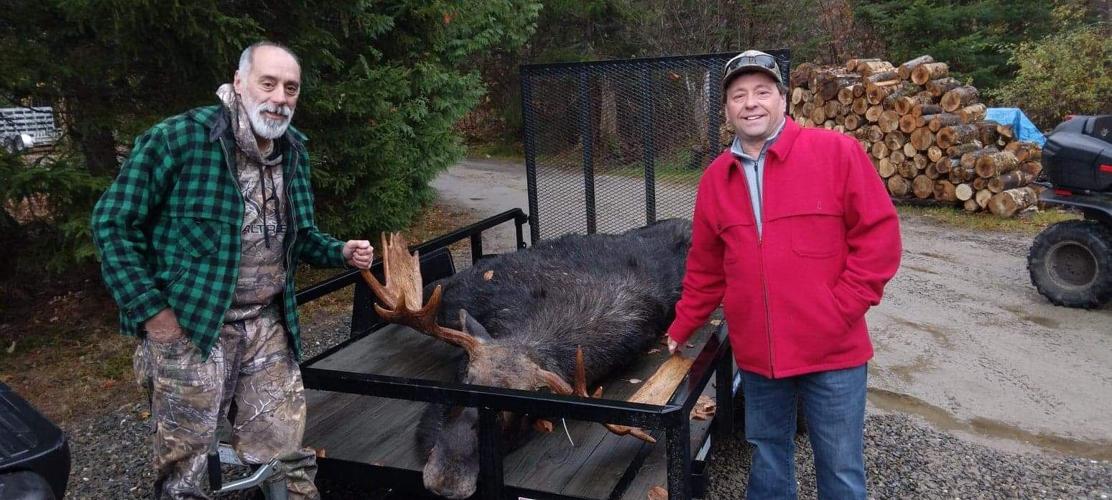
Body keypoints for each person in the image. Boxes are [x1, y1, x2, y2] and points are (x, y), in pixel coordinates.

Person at [91, 41, 374, 500]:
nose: (280, 98)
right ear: (239, 83)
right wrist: (153, 314)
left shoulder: (293, 151)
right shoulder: (179, 139)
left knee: (286, 456)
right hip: (192, 330)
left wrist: (340, 251)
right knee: (184, 469)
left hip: (265, 325)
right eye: (268, 83)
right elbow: (112, 223)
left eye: (291, 88)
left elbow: (297, 235)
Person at [666, 50, 902, 499]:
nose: (750, 103)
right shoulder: (716, 179)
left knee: (840, 468)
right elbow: (706, 267)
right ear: (727, 110)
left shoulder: (835, 153)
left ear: (783, 99)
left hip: (833, 351)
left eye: (762, 92)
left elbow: (879, 239)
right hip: (759, 356)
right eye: (738, 95)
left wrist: (841, 309)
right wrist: (682, 326)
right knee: (769, 459)